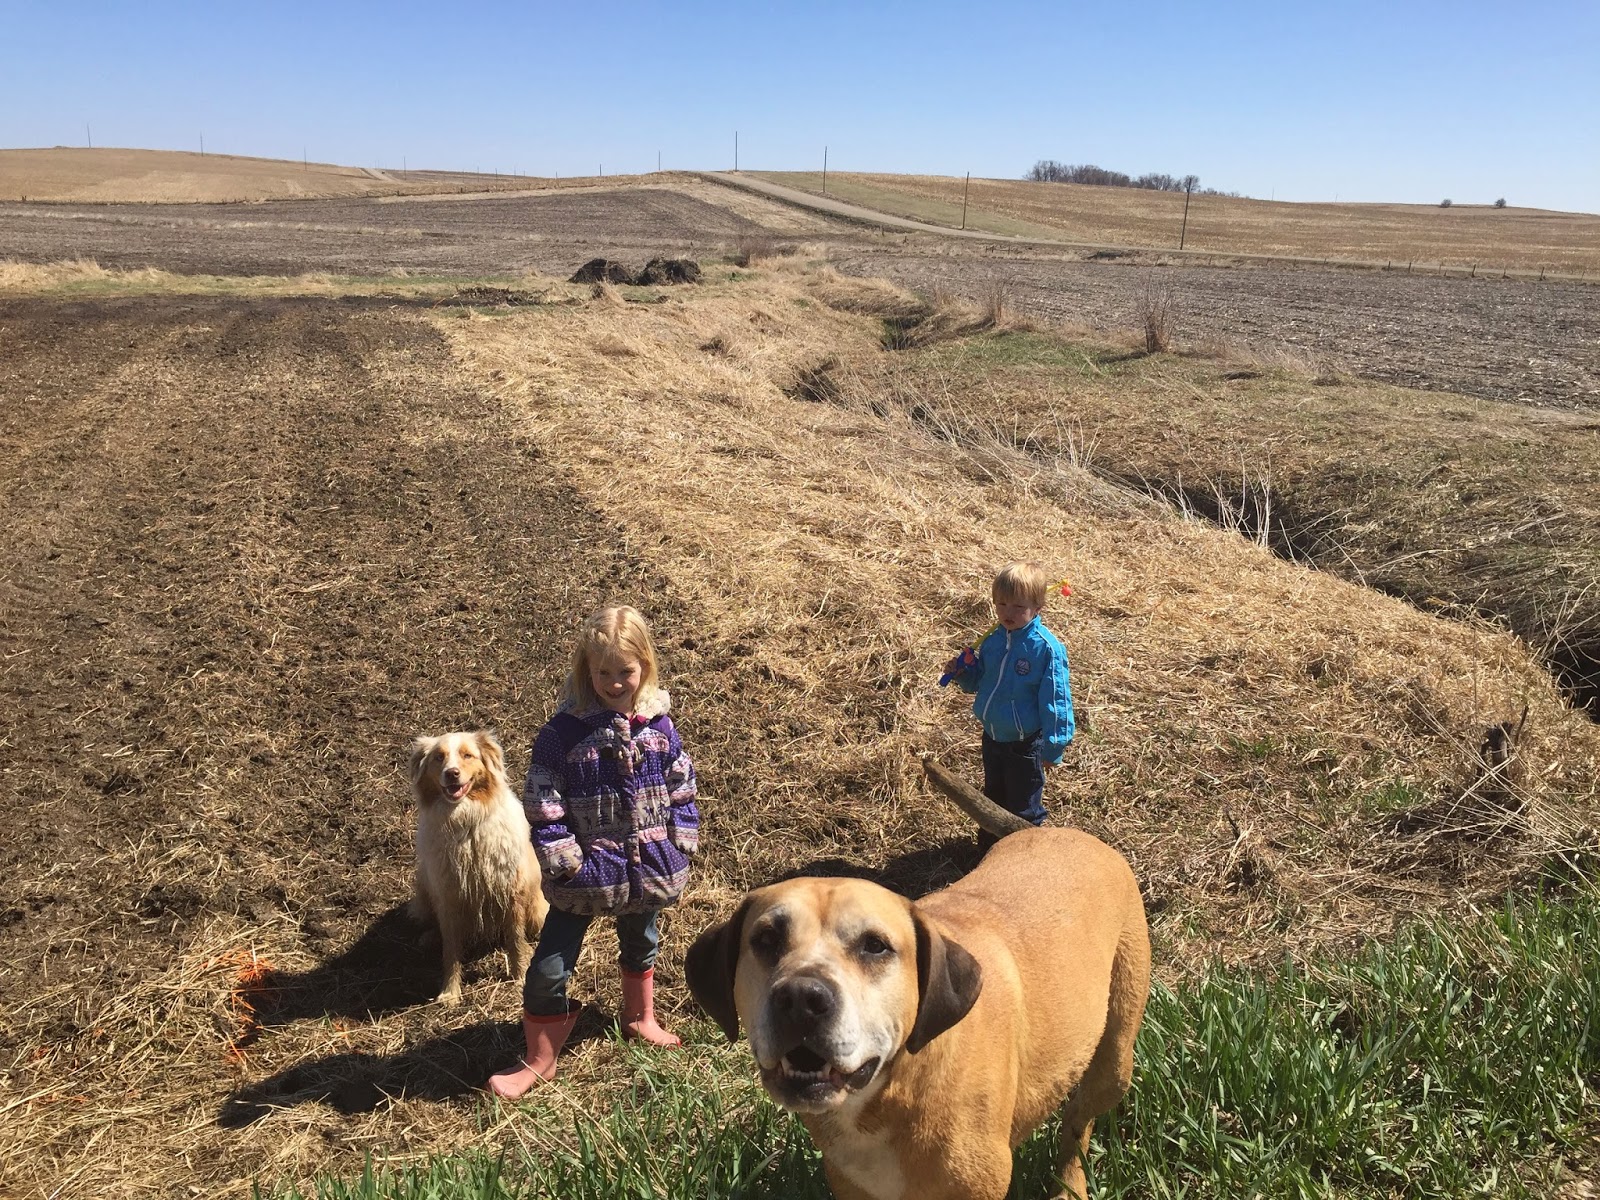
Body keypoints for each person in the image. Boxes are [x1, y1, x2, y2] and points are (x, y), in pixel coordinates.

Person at [487, 605, 699, 1099]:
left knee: (641, 940)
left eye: (624, 671)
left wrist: (678, 840)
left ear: (645, 665)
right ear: (587, 669)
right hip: (583, 876)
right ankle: (540, 1057)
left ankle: (639, 1017)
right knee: (548, 967)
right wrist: (565, 859)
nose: (614, 682)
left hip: (645, 869)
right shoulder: (562, 734)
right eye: (602, 672)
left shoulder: (659, 728)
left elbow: (682, 787)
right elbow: (543, 799)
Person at [944, 562, 1074, 852]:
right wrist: (963, 672)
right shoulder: (992, 641)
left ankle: (1024, 854)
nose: (1007, 613)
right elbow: (978, 683)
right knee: (992, 798)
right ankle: (989, 852)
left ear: (1038, 606)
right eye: (1001, 604)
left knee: (1023, 806)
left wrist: (1055, 746)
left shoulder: (1046, 649)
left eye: (1018, 606)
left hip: (1024, 745)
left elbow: (1057, 701)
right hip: (992, 737)